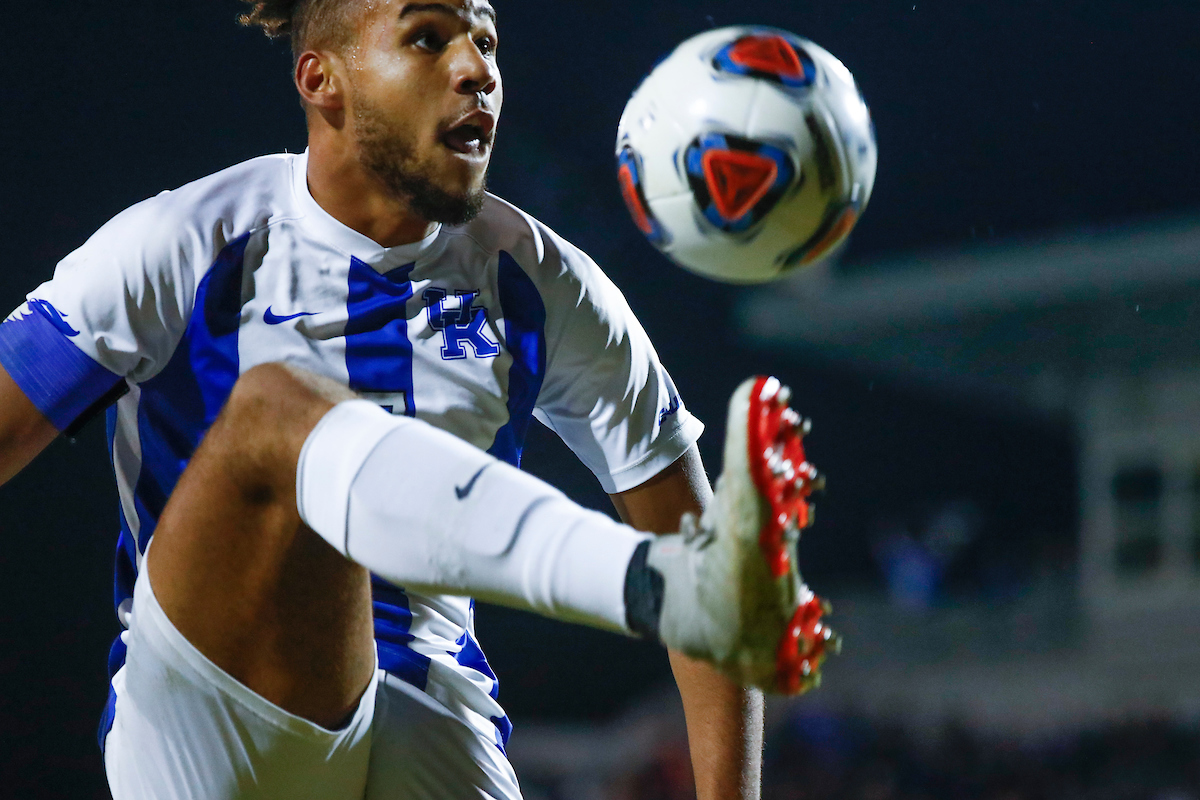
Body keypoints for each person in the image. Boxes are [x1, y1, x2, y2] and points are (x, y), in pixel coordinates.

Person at [0, 1, 832, 797]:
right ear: (321, 79)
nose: (478, 70)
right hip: (217, 717)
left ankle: (668, 583)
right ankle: (646, 584)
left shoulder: (544, 282)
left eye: (488, 42)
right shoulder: (181, 244)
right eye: (429, 39)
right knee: (277, 412)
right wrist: (694, 582)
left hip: (436, 713)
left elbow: (713, 554)